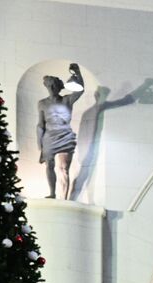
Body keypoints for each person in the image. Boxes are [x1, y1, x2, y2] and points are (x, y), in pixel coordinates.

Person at [38, 63, 84, 199]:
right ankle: (52, 193)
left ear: (59, 87)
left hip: (64, 135)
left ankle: (63, 197)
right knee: (49, 165)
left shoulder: (66, 100)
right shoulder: (42, 103)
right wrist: (38, 141)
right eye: (49, 86)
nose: (52, 88)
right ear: (46, 87)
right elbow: (40, 124)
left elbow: (80, 91)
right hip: (49, 136)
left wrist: (78, 74)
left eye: (54, 85)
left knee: (63, 168)